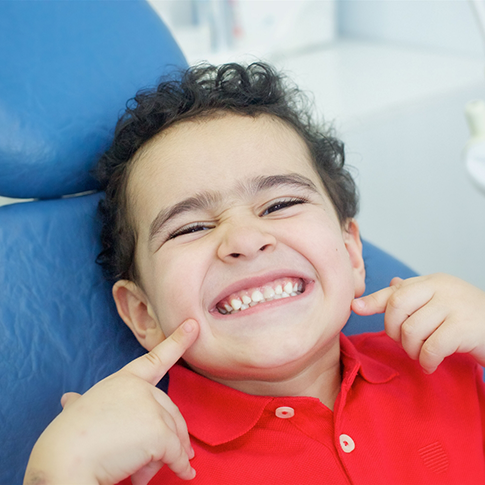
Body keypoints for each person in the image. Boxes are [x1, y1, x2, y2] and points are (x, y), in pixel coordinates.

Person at [24, 63, 485, 485]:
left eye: (280, 204)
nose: (245, 240)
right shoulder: (140, 460)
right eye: (192, 227)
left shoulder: (450, 365)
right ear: (143, 313)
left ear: (351, 255)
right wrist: (60, 471)